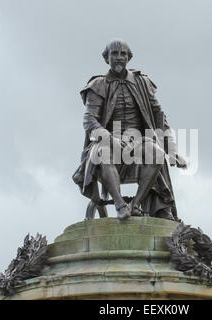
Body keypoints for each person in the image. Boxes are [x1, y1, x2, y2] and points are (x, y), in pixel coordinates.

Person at [73, 38, 187, 220]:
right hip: (110, 140)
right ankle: (120, 205)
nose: (119, 58)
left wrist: (172, 150)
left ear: (129, 58)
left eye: (123, 54)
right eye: (114, 54)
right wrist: (106, 136)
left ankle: (134, 205)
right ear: (106, 58)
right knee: (102, 152)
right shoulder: (98, 85)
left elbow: (159, 117)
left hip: (139, 141)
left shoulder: (143, 82)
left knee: (156, 154)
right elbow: (89, 119)